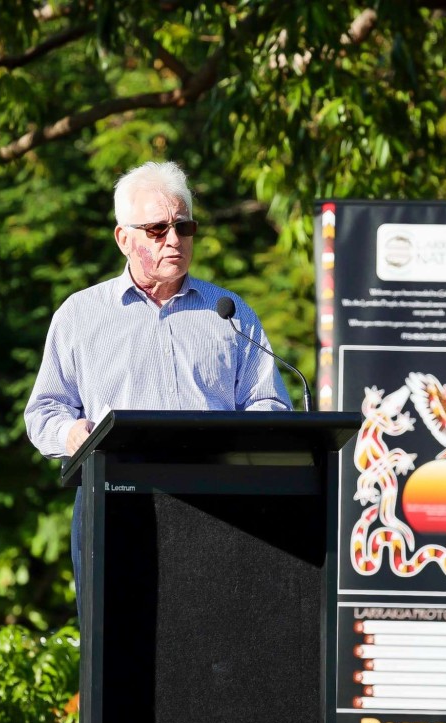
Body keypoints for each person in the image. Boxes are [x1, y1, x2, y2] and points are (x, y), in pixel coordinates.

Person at [25, 160, 292, 594]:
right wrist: (70, 432)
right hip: (113, 504)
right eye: (156, 229)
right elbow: (44, 411)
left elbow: (271, 405)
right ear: (123, 238)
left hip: (220, 506)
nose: (174, 240)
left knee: (216, 650)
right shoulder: (81, 315)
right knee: (116, 651)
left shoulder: (229, 311)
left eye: (184, 228)